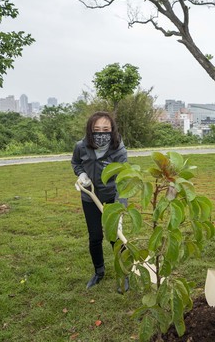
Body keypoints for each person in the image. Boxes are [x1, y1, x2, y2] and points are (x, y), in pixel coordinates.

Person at [71, 111, 129, 293]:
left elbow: (122, 181)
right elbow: (75, 163)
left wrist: (119, 209)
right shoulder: (81, 146)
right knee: (95, 237)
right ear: (90, 130)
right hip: (90, 196)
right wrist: (81, 174)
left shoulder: (119, 151)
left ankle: (124, 274)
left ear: (112, 130)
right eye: (97, 129)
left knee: (115, 238)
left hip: (112, 196)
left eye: (105, 129)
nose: (101, 133)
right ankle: (99, 272)